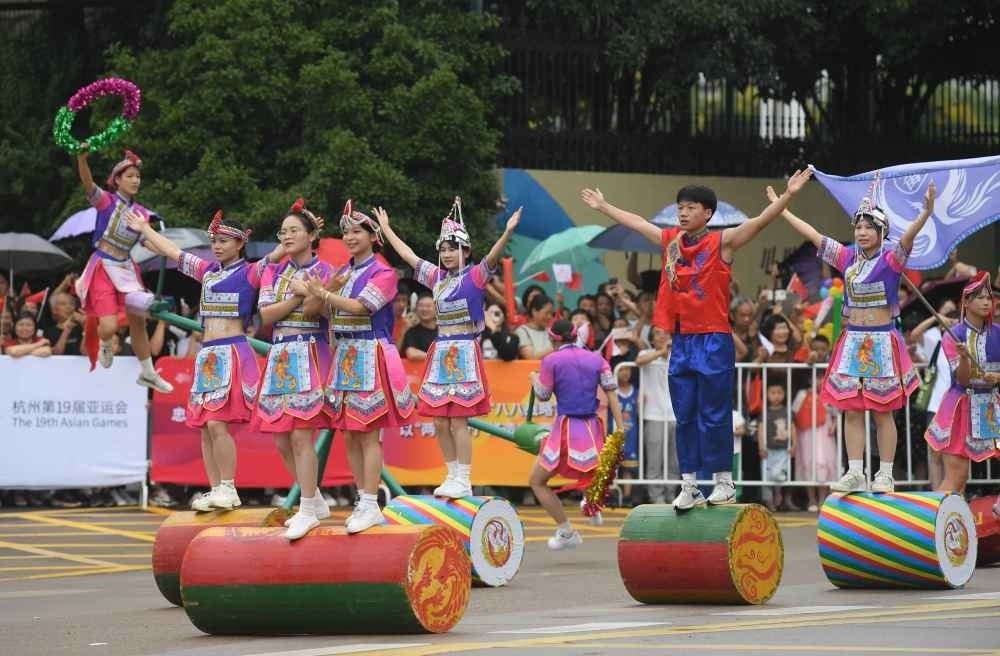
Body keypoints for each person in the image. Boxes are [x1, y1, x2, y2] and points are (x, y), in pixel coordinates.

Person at [581, 168, 813, 510]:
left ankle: (723, 481)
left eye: (691, 207)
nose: (683, 213)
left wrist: (789, 194)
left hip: (714, 340)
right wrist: (604, 206)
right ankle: (689, 484)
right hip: (683, 341)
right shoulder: (671, 242)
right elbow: (638, 223)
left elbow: (761, 221)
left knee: (714, 414)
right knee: (685, 414)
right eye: (680, 208)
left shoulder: (723, 242)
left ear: (707, 213)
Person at [774, 181, 934, 493]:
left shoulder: (891, 259)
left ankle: (885, 474)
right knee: (852, 409)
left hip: (881, 341)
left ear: (882, 232)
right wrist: (783, 210)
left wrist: (925, 213)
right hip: (853, 342)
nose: (862, 232)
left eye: (869, 227)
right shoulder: (847, 257)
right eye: (858, 227)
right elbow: (814, 235)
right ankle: (856, 471)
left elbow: (908, 239)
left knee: (883, 412)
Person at [127, 209, 285, 512]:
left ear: (240, 243)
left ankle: (229, 487)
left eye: (224, 241)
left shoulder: (250, 272)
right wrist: (144, 228)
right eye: (214, 241)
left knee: (215, 423)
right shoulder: (208, 271)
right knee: (204, 426)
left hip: (231, 352)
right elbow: (172, 250)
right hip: (207, 356)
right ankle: (215, 490)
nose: (217, 246)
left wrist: (297, 231)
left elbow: (278, 254)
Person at [375, 202, 520, 498]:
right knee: (439, 420)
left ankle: (464, 478)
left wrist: (506, 233)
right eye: (443, 250)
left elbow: (493, 257)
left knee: (458, 420)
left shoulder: (475, 276)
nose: (447, 254)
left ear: (466, 251)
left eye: (453, 249)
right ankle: (452, 474)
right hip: (441, 353)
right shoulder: (436, 278)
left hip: (464, 351)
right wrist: (386, 229)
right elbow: (409, 256)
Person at [306, 201, 416, 534]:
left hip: (370, 353)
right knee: (350, 433)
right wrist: (319, 293)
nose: (350, 237)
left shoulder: (383, 273)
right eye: (346, 232)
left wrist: (324, 293)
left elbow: (361, 307)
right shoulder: (343, 273)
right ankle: (362, 498)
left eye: (357, 231)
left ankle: (371, 501)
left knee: (368, 433)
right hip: (345, 356)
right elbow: (321, 310)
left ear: (373, 236)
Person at [255, 199, 335, 540]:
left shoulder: (327, 271)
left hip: (311, 352)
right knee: (281, 438)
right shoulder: (273, 271)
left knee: (302, 434)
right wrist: (298, 297)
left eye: (293, 231)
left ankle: (306, 509)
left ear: (311, 236)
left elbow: (325, 311)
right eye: (283, 232)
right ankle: (313, 499)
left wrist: (313, 295)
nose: (286, 236)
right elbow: (265, 315)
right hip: (280, 356)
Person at [72, 147, 172, 392]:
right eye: (130, 176)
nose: (135, 180)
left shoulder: (142, 213)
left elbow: (145, 241)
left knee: (138, 322)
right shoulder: (106, 201)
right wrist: (82, 159)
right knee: (108, 327)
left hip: (127, 269)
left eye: (138, 176)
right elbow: (87, 182)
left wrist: (163, 248)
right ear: (117, 180)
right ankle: (106, 344)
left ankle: (148, 373)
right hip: (103, 267)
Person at [528, 319, 624, 549]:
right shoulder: (597, 359)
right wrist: (620, 430)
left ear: (553, 339)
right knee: (591, 471)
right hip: (592, 428)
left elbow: (543, 394)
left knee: (537, 481)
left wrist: (533, 378)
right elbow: (612, 394)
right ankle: (592, 507)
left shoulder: (551, 360)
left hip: (567, 428)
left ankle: (566, 531)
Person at [925, 272, 1000, 499]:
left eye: (988, 298)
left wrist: (997, 378)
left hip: (991, 406)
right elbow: (963, 380)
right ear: (966, 302)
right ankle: (931, 518)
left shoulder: (998, 333)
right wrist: (965, 358)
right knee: (957, 477)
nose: (986, 302)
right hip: (961, 407)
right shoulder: (953, 335)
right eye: (980, 297)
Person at [635, 327, 677, 504]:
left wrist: (670, 352)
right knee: (654, 460)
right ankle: (656, 497)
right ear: (651, 339)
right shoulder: (646, 353)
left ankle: (671, 494)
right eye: (658, 333)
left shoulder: (678, 355)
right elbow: (639, 361)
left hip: (675, 415)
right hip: (653, 415)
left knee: (674, 461)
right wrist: (661, 352)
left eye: (666, 333)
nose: (663, 336)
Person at [759, 381, 795, 511]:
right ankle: (769, 501)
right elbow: (761, 429)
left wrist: (794, 445)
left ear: (784, 394)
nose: (776, 396)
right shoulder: (765, 412)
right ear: (767, 395)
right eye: (773, 393)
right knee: (767, 475)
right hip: (768, 449)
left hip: (783, 449)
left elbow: (792, 428)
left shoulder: (787, 411)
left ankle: (778, 492)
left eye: (779, 393)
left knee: (779, 474)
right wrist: (761, 446)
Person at [400, 293, 438, 361]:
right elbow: (411, 353)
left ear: (437, 309)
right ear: (416, 309)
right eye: (421, 306)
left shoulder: (443, 331)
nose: (424, 309)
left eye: (428, 306)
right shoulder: (411, 331)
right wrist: (438, 358)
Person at [516, 294, 555, 359]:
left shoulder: (551, 332)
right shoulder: (522, 331)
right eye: (546, 313)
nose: (549, 317)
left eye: (551, 313)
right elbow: (530, 357)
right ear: (534, 311)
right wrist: (556, 347)